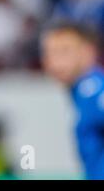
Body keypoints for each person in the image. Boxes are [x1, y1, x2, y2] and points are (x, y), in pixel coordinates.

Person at [41, 22, 104, 179]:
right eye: (49, 52)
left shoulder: (92, 91)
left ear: (88, 52)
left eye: (64, 51)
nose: (54, 61)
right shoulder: (81, 92)